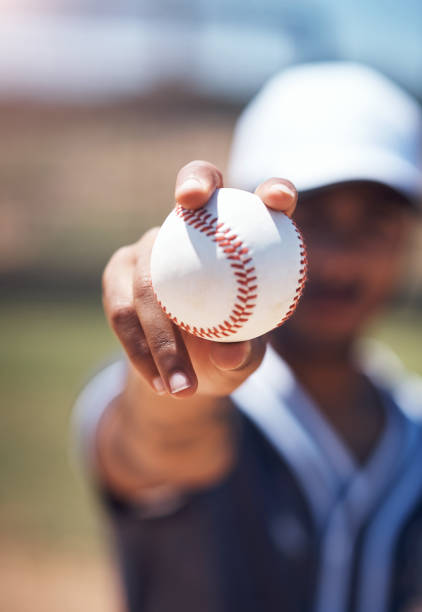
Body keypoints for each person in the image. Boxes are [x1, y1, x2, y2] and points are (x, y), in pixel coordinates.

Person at [73, 62, 422, 612]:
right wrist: (184, 383)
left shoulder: (414, 426)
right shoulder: (194, 405)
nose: (339, 260)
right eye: (313, 217)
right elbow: (156, 443)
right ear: (246, 217)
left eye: (375, 222)